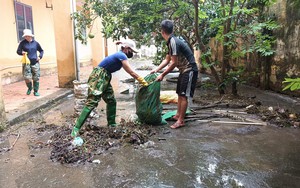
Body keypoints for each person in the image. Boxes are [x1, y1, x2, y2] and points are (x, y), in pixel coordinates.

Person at [71, 39, 148, 137]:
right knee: (92, 102)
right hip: (99, 76)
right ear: (126, 48)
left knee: (111, 100)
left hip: (105, 76)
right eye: (131, 51)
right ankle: (76, 128)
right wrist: (142, 80)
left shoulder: (121, 54)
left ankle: (111, 124)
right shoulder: (122, 55)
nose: (131, 53)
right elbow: (131, 72)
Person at [150, 19, 198, 129]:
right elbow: (167, 59)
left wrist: (163, 75)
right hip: (183, 70)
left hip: (190, 69)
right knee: (179, 94)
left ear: (162, 32)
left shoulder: (173, 42)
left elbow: (174, 63)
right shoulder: (171, 42)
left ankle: (181, 120)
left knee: (183, 95)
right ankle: (178, 115)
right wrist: (157, 70)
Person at [17, 29, 44, 96]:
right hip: (26, 63)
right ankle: (29, 87)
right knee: (27, 77)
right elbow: (18, 51)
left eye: (28, 36)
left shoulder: (36, 43)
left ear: (31, 36)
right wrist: (22, 52)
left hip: (35, 62)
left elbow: (41, 50)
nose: (26, 37)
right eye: (25, 36)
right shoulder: (22, 43)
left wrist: (40, 57)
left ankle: (36, 91)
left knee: (36, 77)